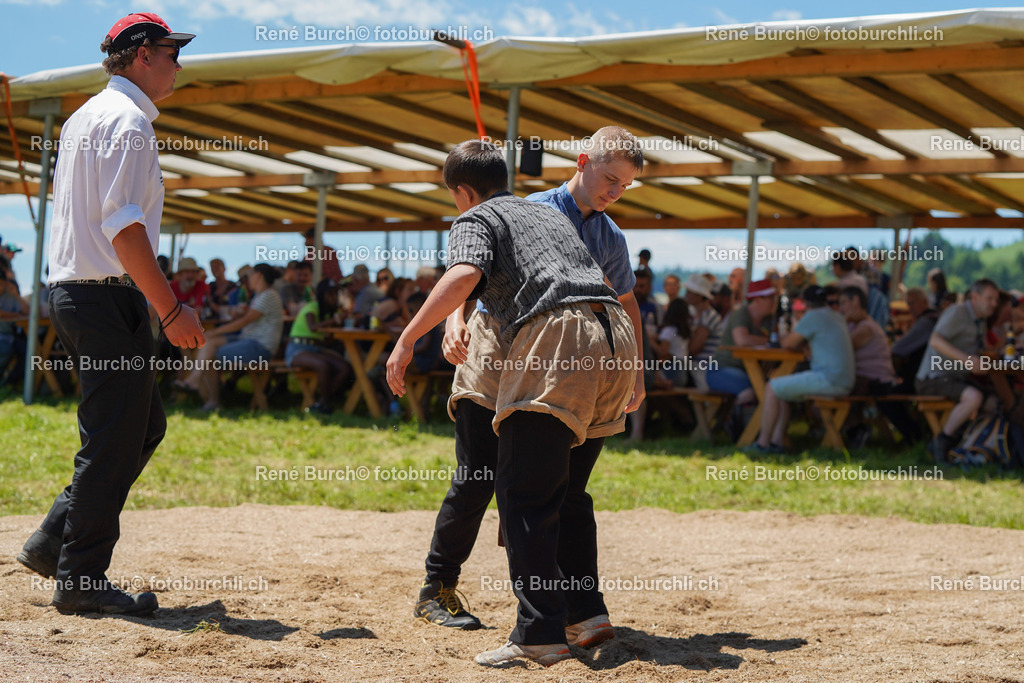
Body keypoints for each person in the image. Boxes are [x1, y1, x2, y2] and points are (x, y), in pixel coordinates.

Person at [387, 139, 636, 668]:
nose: (615, 192)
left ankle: (538, 632)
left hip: (548, 339)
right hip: (608, 335)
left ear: (460, 193)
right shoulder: (542, 212)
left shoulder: (476, 216)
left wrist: (408, 339)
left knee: (523, 495)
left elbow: (463, 274)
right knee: (558, 491)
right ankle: (584, 616)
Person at [15, 12, 203, 616]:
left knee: (139, 429)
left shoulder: (83, 118)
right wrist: (170, 309)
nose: (179, 62)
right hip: (104, 293)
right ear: (143, 55)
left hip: (79, 291)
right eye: (172, 51)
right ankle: (80, 579)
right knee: (113, 441)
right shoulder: (127, 122)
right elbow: (123, 227)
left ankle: (54, 543)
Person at [752, 285, 855, 453]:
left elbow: (787, 343)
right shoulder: (837, 316)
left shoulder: (813, 316)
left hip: (829, 379)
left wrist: (794, 324)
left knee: (771, 387)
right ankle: (777, 441)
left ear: (805, 303)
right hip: (844, 380)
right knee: (782, 390)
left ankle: (763, 444)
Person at [915, 278, 1001, 463]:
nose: (995, 303)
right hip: (932, 377)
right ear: (975, 297)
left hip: (953, 378)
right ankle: (942, 442)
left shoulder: (980, 320)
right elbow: (935, 340)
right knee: (974, 397)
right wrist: (968, 361)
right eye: (990, 298)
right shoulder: (957, 312)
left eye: (996, 299)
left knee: (993, 402)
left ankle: (970, 444)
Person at [177, 263, 282, 411]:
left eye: (250, 275)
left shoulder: (268, 295)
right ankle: (196, 381)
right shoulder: (262, 295)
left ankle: (211, 400)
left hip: (259, 347)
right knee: (208, 343)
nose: (248, 279)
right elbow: (245, 320)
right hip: (248, 341)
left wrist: (215, 331)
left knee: (209, 354)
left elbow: (244, 321)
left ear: (258, 275)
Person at [838, 286, 919, 446]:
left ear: (855, 301)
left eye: (843, 303)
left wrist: (842, 321)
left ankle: (851, 429)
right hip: (873, 380)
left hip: (876, 382)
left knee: (834, 386)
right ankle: (853, 429)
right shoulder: (859, 325)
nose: (840, 308)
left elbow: (839, 350)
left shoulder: (865, 328)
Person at [707, 279, 777, 407]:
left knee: (771, 387)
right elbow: (742, 340)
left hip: (747, 371)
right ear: (757, 300)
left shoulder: (768, 319)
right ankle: (737, 423)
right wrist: (770, 341)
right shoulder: (741, 313)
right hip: (721, 370)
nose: (773, 302)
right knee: (756, 389)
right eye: (770, 298)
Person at [285, 279, 351, 414]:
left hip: (316, 349)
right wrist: (335, 320)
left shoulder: (328, 312)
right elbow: (312, 327)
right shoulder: (312, 307)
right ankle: (324, 404)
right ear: (322, 295)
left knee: (344, 368)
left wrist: (340, 320)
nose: (333, 298)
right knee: (323, 365)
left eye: (335, 294)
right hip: (298, 348)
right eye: (329, 294)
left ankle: (321, 401)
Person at [891, 287, 939, 389]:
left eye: (913, 303)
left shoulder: (926, 321)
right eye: (909, 304)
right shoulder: (934, 317)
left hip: (922, 377)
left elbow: (898, 348)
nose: (910, 308)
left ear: (924, 302)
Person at [684, 274, 723, 390]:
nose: (686, 295)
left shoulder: (709, 316)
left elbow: (694, 348)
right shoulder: (696, 314)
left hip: (703, 369)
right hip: (698, 367)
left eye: (689, 292)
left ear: (700, 296)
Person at [651, 298, 691, 387]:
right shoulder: (684, 332)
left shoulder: (669, 330)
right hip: (683, 372)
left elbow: (663, 352)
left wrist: (651, 341)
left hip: (671, 372)